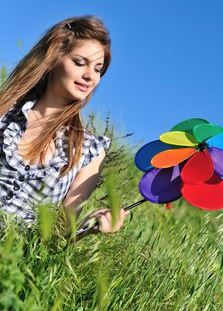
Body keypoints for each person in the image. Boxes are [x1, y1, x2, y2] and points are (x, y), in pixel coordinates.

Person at [0, 15, 130, 240]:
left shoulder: (88, 152)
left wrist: (90, 228)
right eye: (80, 63)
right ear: (52, 60)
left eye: (98, 69)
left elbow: (57, 235)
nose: (90, 76)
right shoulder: (4, 112)